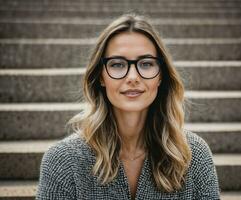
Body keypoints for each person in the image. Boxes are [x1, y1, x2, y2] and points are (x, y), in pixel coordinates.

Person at [36, 14, 220, 199]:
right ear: (101, 76)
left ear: (161, 75)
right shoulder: (62, 160)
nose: (132, 77)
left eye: (146, 63)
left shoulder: (194, 155)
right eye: (117, 64)